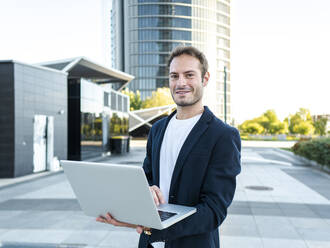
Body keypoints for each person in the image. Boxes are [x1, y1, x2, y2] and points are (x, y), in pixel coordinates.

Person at [96, 46, 241, 248]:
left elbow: (213, 211)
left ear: (205, 79)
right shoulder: (157, 129)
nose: (181, 83)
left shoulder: (223, 135)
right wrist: (139, 197)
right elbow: (145, 181)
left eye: (189, 75)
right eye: (174, 76)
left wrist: (152, 227)